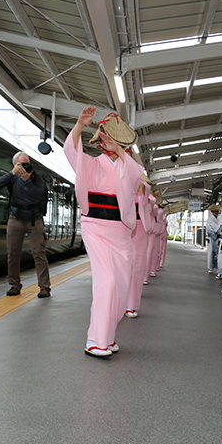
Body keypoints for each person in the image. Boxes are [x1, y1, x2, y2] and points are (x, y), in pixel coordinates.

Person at [63, 106, 144, 358]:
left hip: (120, 232)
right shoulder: (88, 163)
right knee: (106, 282)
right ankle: (96, 340)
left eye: (114, 139)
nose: (108, 142)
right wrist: (79, 125)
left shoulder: (128, 166)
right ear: (99, 140)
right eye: (106, 138)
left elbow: (135, 173)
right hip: (95, 228)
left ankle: (108, 338)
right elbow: (70, 150)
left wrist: (120, 151)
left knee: (120, 287)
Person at [0, 151, 51, 298]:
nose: (25, 167)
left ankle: (45, 287)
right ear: (15, 165)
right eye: (21, 164)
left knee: (39, 253)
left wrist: (26, 180)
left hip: (34, 219)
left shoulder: (36, 178)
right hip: (16, 218)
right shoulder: (12, 178)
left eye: (27, 163)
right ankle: (14, 285)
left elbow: (38, 195)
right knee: (13, 253)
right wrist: (12, 173)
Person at [125, 176, 154, 319]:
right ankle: (119, 302)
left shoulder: (146, 193)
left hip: (140, 228)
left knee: (137, 266)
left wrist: (141, 185)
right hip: (121, 226)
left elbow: (149, 198)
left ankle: (131, 305)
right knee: (121, 265)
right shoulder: (121, 183)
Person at [206, 205, 221, 274]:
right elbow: (215, 228)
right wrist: (220, 225)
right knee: (211, 254)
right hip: (212, 238)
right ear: (213, 212)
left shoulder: (218, 218)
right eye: (216, 211)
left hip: (218, 238)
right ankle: (210, 267)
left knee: (218, 254)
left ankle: (218, 268)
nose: (217, 212)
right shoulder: (210, 219)